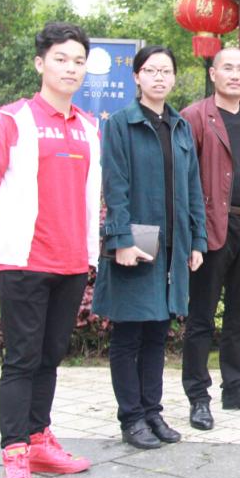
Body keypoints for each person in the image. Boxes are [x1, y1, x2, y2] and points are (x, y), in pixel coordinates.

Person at [0, 22, 99, 478]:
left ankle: (40, 440)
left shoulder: (89, 127)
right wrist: (3, 241)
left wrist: (90, 252)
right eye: (61, 59)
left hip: (72, 260)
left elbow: (92, 194)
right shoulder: (11, 119)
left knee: (50, 356)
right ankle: (15, 455)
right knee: (22, 359)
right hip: (24, 261)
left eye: (78, 61)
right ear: (40, 63)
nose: (70, 68)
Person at [93, 45, 207, 449]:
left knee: (158, 331)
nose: (160, 77)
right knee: (129, 333)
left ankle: (152, 411)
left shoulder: (179, 126)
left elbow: (193, 187)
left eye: (166, 71)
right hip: (138, 237)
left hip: (174, 243)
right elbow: (115, 186)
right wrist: (121, 240)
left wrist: (197, 240)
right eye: (151, 70)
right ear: (137, 76)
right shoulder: (121, 123)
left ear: (174, 78)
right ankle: (132, 417)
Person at [181, 47, 240, 429]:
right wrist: (193, 234)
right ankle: (198, 396)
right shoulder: (195, 117)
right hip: (211, 228)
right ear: (213, 74)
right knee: (201, 316)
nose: (235, 75)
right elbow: (185, 180)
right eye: (228, 68)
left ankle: (235, 388)